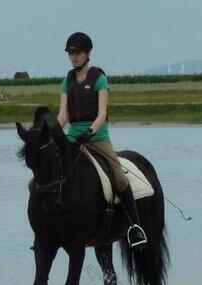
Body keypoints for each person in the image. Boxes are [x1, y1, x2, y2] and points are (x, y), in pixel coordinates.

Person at [57, 32, 147, 248]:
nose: (73, 57)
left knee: (118, 178)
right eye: (70, 53)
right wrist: (51, 133)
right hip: (72, 139)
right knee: (51, 175)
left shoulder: (99, 78)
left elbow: (102, 114)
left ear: (87, 53)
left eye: (77, 53)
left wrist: (89, 132)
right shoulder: (66, 81)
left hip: (97, 138)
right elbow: (63, 116)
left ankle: (135, 227)